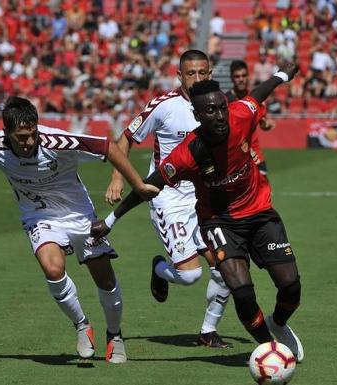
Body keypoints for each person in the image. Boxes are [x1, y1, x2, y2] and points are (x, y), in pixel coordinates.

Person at [0, 96, 159, 363]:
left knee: (104, 279)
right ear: (6, 134)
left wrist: (134, 183)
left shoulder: (57, 142)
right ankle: (82, 325)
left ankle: (115, 335)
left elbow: (108, 146)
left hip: (79, 215)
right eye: (21, 137)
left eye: (32, 134)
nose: (28, 142)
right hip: (39, 217)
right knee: (52, 268)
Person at [92, 63, 305, 362]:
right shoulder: (188, 154)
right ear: (197, 115)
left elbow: (259, 92)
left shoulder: (241, 115)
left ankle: (278, 324)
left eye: (222, 108)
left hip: (260, 212)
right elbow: (147, 187)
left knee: (291, 287)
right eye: (211, 111)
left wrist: (283, 75)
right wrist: (111, 220)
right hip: (220, 222)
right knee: (241, 292)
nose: (220, 117)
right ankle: (270, 351)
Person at [104, 50, 231, 348]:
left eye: (203, 73)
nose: (197, 78)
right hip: (169, 197)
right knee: (190, 277)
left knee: (227, 269)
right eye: (191, 73)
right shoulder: (163, 106)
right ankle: (160, 268)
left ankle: (207, 332)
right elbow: (125, 138)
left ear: (210, 74)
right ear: (180, 76)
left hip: (204, 198)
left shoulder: (219, 104)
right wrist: (117, 177)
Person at [225, 60, 273, 176]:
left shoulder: (256, 99)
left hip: (256, 156)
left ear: (248, 76)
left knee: (264, 192)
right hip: (235, 158)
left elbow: (263, 124)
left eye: (243, 75)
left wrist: (267, 124)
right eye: (237, 76)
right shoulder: (225, 102)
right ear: (231, 78)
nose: (241, 79)